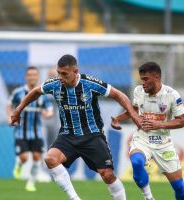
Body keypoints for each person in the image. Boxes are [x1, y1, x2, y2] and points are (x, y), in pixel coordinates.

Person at [11, 54, 141, 200]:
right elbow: (35, 92)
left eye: (64, 74)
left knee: (108, 175)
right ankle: (74, 198)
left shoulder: (89, 83)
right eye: (59, 73)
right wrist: (18, 110)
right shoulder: (54, 85)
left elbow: (119, 95)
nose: (60, 77)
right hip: (68, 135)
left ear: (75, 72)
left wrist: (133, 116)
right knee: (50, 159)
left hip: (92, 135)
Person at [111, 62, 184, 200]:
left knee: (179, 188)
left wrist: (158, 124)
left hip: (163, 143)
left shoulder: (171, 95)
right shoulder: (138, 91)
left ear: (157, 77)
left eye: (146, 79)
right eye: (141, 79)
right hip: (142, 139)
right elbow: (134, 110)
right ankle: (148, 197)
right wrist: (118, 118)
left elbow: (181, 121)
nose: (143, 83)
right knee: (136, 162)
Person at [7, 66, 53, 192]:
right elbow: (9, 104)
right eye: (30, 75)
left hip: (37, 132)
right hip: (21, 132)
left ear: (37, 77)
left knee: (37, 157)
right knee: (24, 157)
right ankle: (19, 165)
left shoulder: (42, 94)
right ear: (26, 77)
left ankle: (31, 183)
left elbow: (50, 110)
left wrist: (47, 114)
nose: (32, 77)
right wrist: (9, 117)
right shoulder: (18, 92)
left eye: (34, 75)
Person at [42, 68, 60, 148]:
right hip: (44, 121)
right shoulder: (43, 87)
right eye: (50, 76)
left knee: (55, 142)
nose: (52, 78)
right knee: (43, 141)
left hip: (56, 122)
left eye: (54, 75)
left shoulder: (61, 88)